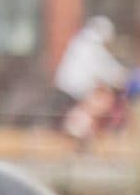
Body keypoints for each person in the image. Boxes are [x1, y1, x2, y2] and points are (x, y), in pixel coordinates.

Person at [54, 16, 128, 145]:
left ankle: (82, 130)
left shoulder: (80, 42)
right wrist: (122, 75)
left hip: (67, 86)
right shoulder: (91, 46)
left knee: (98, 100)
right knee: (102, 101)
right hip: (75, 89)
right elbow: (106, 69)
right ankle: (79, 129)